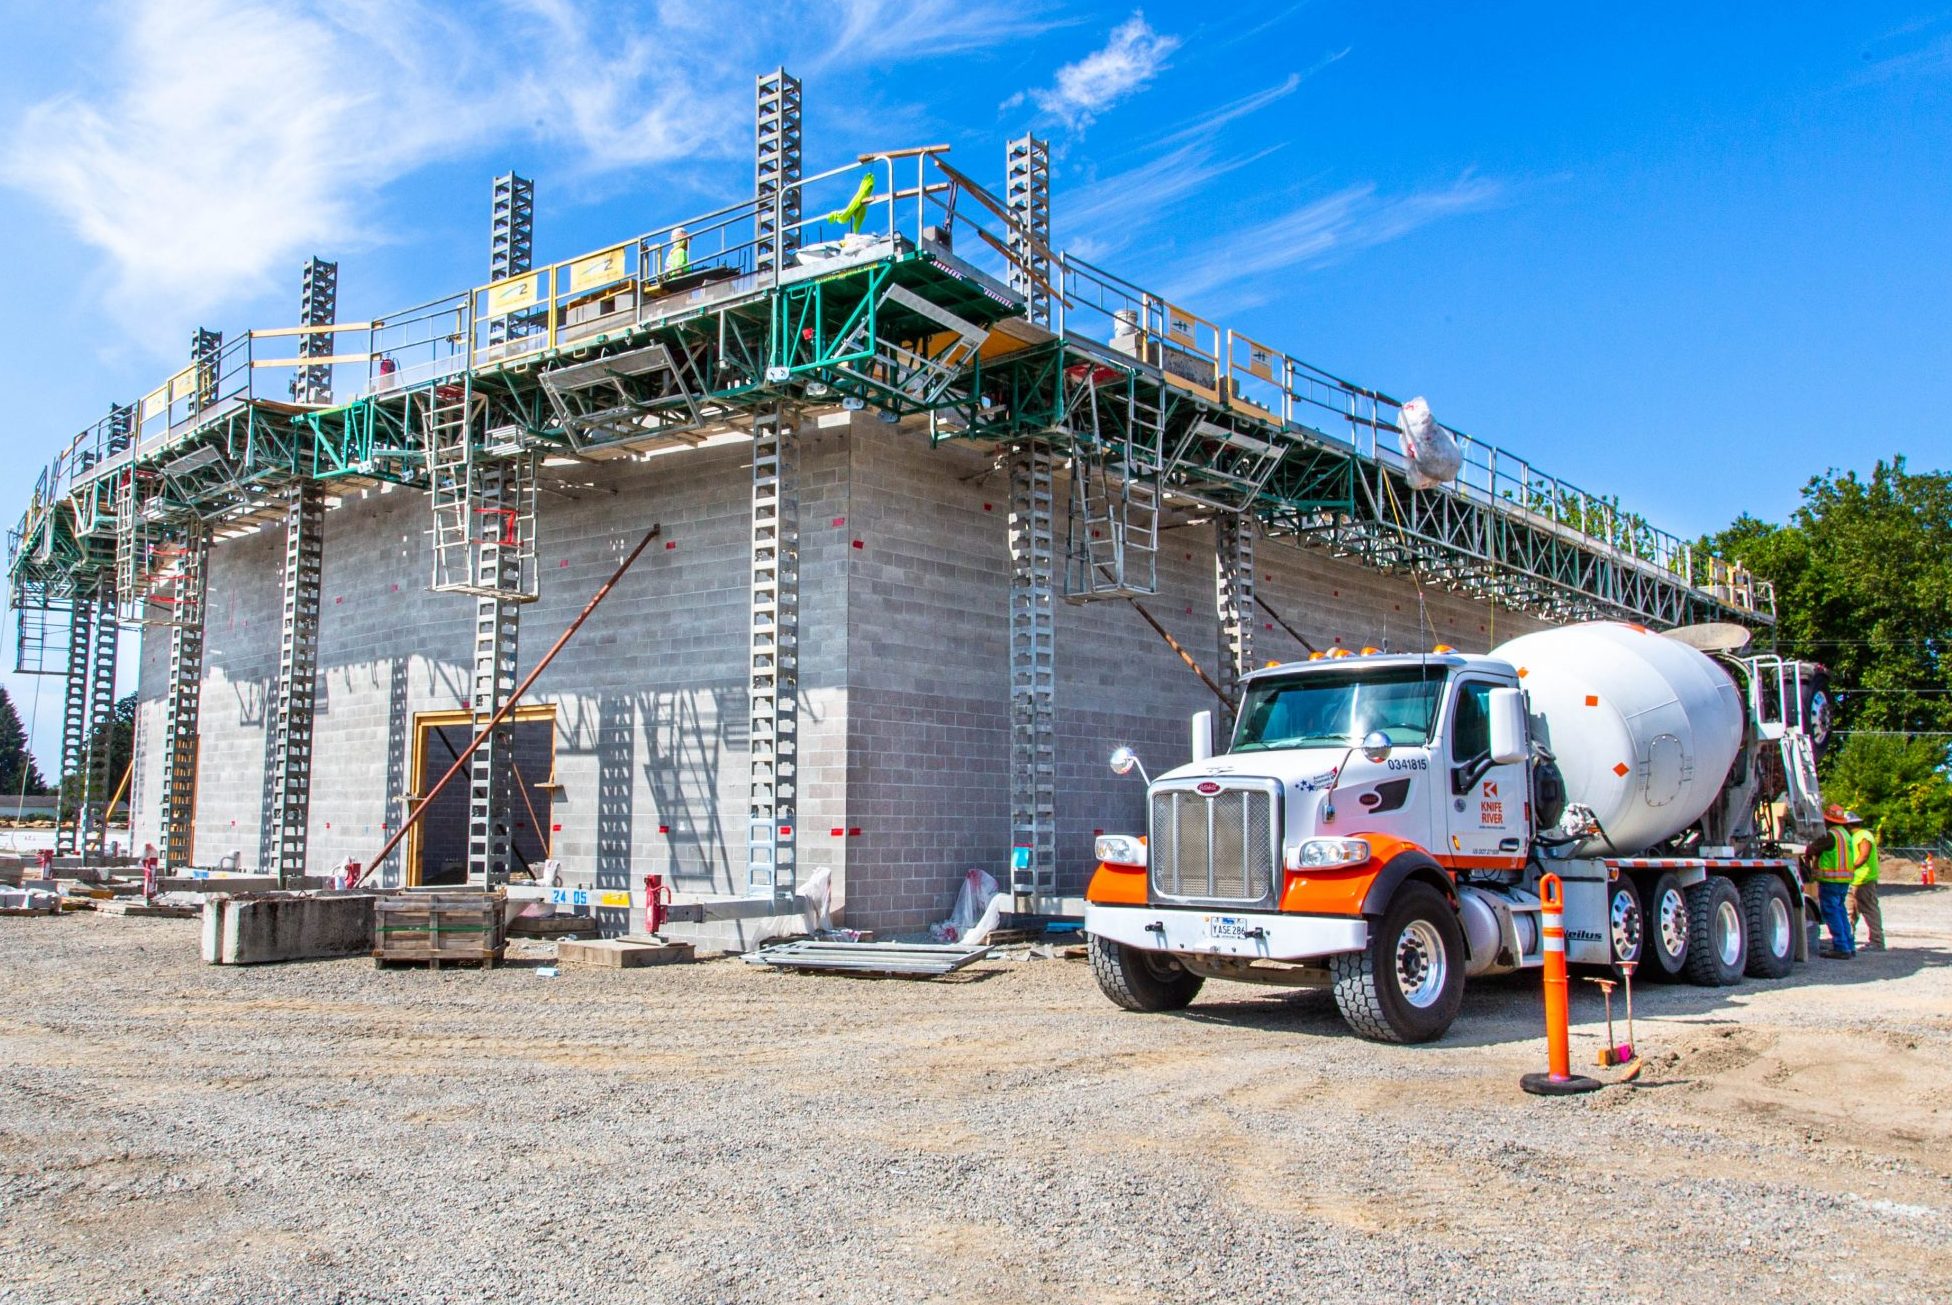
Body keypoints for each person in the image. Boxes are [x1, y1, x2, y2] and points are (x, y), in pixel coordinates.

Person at [1807, 804, 1865, 958]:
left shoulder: (1830, 835)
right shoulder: (1845, 834)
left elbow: (1811, 849)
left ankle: (1841, 947)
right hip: (1843, 879)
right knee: (1840, 911)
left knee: (1832, 912)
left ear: (1828, 820)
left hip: (1831, 880)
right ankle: (1848, 945)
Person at [1846, 816, 1883, 951]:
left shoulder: (1863, 835)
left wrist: (1850, 868)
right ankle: (1847, 940)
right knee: (1851, 912)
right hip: (1855, 879)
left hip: (1864, 880)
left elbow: (1864, 855)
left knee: (1869, 910)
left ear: (1849, 825)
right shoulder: (1855, 837)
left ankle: (1877, 941)